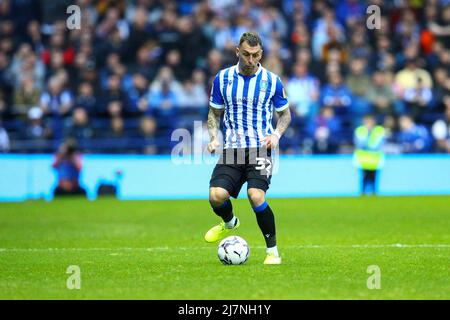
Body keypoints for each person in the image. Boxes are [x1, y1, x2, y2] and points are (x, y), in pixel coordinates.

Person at [204, 32, 291, 265]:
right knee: (216, 196)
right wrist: (213, 137)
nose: (251, 60)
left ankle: (272, 252)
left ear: (261, 53)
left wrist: (276, 134)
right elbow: (214, 112)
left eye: (255, 55)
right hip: (232, 149)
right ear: (237, 52)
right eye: (246, 55)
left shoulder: (272, 81)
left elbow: (285, 115)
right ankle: (230, 222)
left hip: (260, 148)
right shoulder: (222, 79)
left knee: (255, 195)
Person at [353, 114, 385, 195]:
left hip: (375, 159)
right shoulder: (360, 130)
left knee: (374, 177)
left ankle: (374, 192)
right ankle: (362, 192)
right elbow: (359, 144)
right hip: (363, 159)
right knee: (364, 177)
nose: (369, 123)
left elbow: (378, 144)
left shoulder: (379, 130)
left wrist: (368, 145)